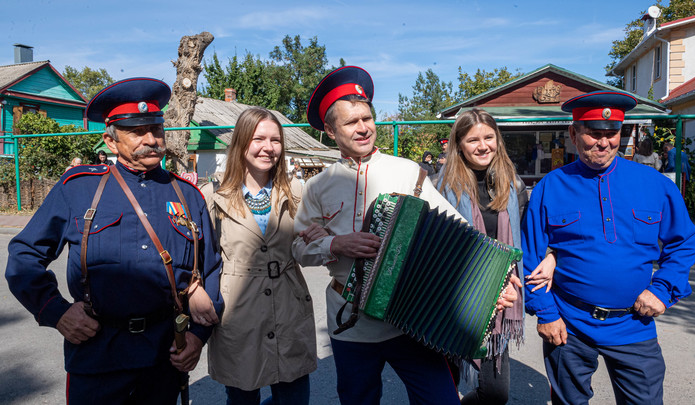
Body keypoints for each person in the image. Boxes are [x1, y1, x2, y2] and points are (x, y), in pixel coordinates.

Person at [291, 66, 521, 405]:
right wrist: (334, 244)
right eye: (351, 122)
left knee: (441, 401)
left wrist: (495, 286)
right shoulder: (317, 186)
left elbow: (463, 236)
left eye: (367, 118)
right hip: (350, 323)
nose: (363, 128)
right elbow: (298, 248)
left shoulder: (407, 172)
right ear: (329, 129)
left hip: (410, 322)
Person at [4, 77, 224, 404]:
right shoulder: (78, 189)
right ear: (110, 141)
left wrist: (197, 337)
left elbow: (211, 269)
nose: (151, 139)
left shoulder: (188, 196)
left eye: (156, 129)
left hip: (164, 355)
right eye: (137, 131)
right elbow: (24, 256)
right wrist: (56, 312)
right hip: (97, 354)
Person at [522, 90, 695, 404]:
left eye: (612, 133)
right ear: (573, 133)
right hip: (569, 325)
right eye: (593, 134)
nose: (603, 142)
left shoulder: (654, 184)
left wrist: (663, 289)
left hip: (634, 325)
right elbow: (531, 253)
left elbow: (683, 242)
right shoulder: (551, 186)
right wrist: (546, 313)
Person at [199, 107, 322, 405]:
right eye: (258, 139)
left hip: (289, 305)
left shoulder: (296, 191)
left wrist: (318, 238)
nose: (268, 148)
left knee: (293, 396)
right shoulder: (212, 195)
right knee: (242, 398)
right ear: (241, 143)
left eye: (275, 140)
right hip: (238, 311)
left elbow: (308, 245)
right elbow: (200, 258)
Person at [437, 108, 555, 404]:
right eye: (472, 139)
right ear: (459, 144)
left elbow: (528, 239)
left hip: (500, 298)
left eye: (489, 137)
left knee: (494, 394)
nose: (482, 145)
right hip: (452, 300)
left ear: (497, 140)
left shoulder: (513, 186)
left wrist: (552, 256)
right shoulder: (440, 186)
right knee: (442, 389)